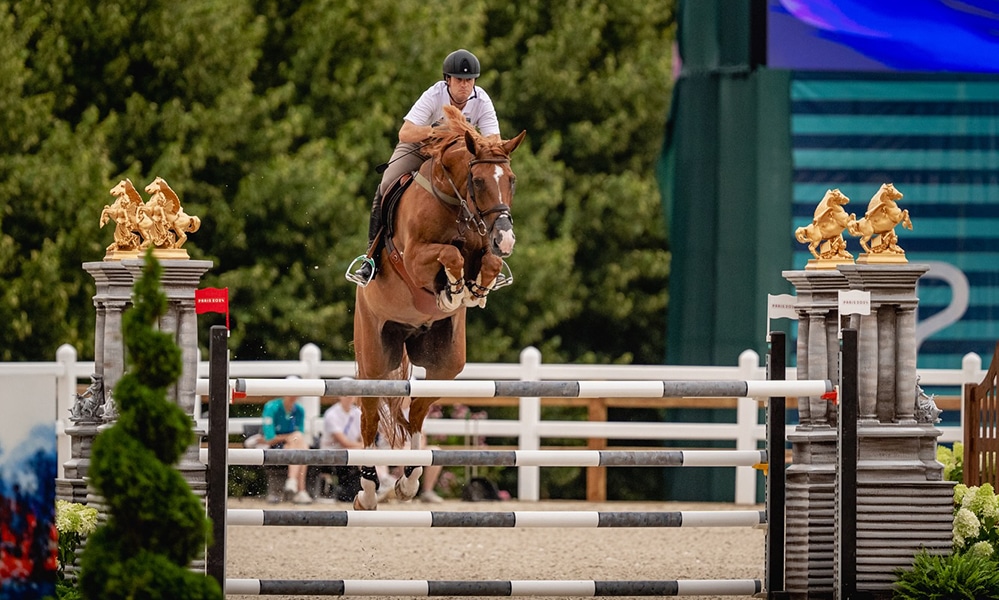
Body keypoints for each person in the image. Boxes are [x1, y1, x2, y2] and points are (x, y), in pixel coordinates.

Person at [346, 48, 502, 286]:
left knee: (489, 183)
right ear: (447, 80)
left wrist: (474, 143)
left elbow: (494, 141)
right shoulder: (434, 95)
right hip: (421, 147)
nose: (464, 85)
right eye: (459, 80)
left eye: (469, 80)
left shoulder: (481, 100)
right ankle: (371, 258)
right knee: (387, 182)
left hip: (458, 154)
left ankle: (489, 254)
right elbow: (405, 133)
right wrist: (438, 132)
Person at [261, 392, 312, 504]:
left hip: (292, 445)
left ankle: (292, 481)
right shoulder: (272, 407)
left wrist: (291, 438)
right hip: (274, 445)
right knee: (302, 446)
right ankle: (300, 489)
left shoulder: (299, 410)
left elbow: (299, 435)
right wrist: (289, 437)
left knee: (300, 444)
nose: (293, 396)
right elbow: (269, 438)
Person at [319, 395, 365, 502]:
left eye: (351, 395)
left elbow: (363, 438)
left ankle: (380, 482)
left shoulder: (357, 413)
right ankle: (377, 484)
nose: (349, 398)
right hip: (333, 451)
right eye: (346, 395)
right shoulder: (331, 414)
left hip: (352, 450)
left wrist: (364, 446)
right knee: (364, 454)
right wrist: (363, 446)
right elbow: (343, 442)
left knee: (368, 453)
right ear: (340, 396)